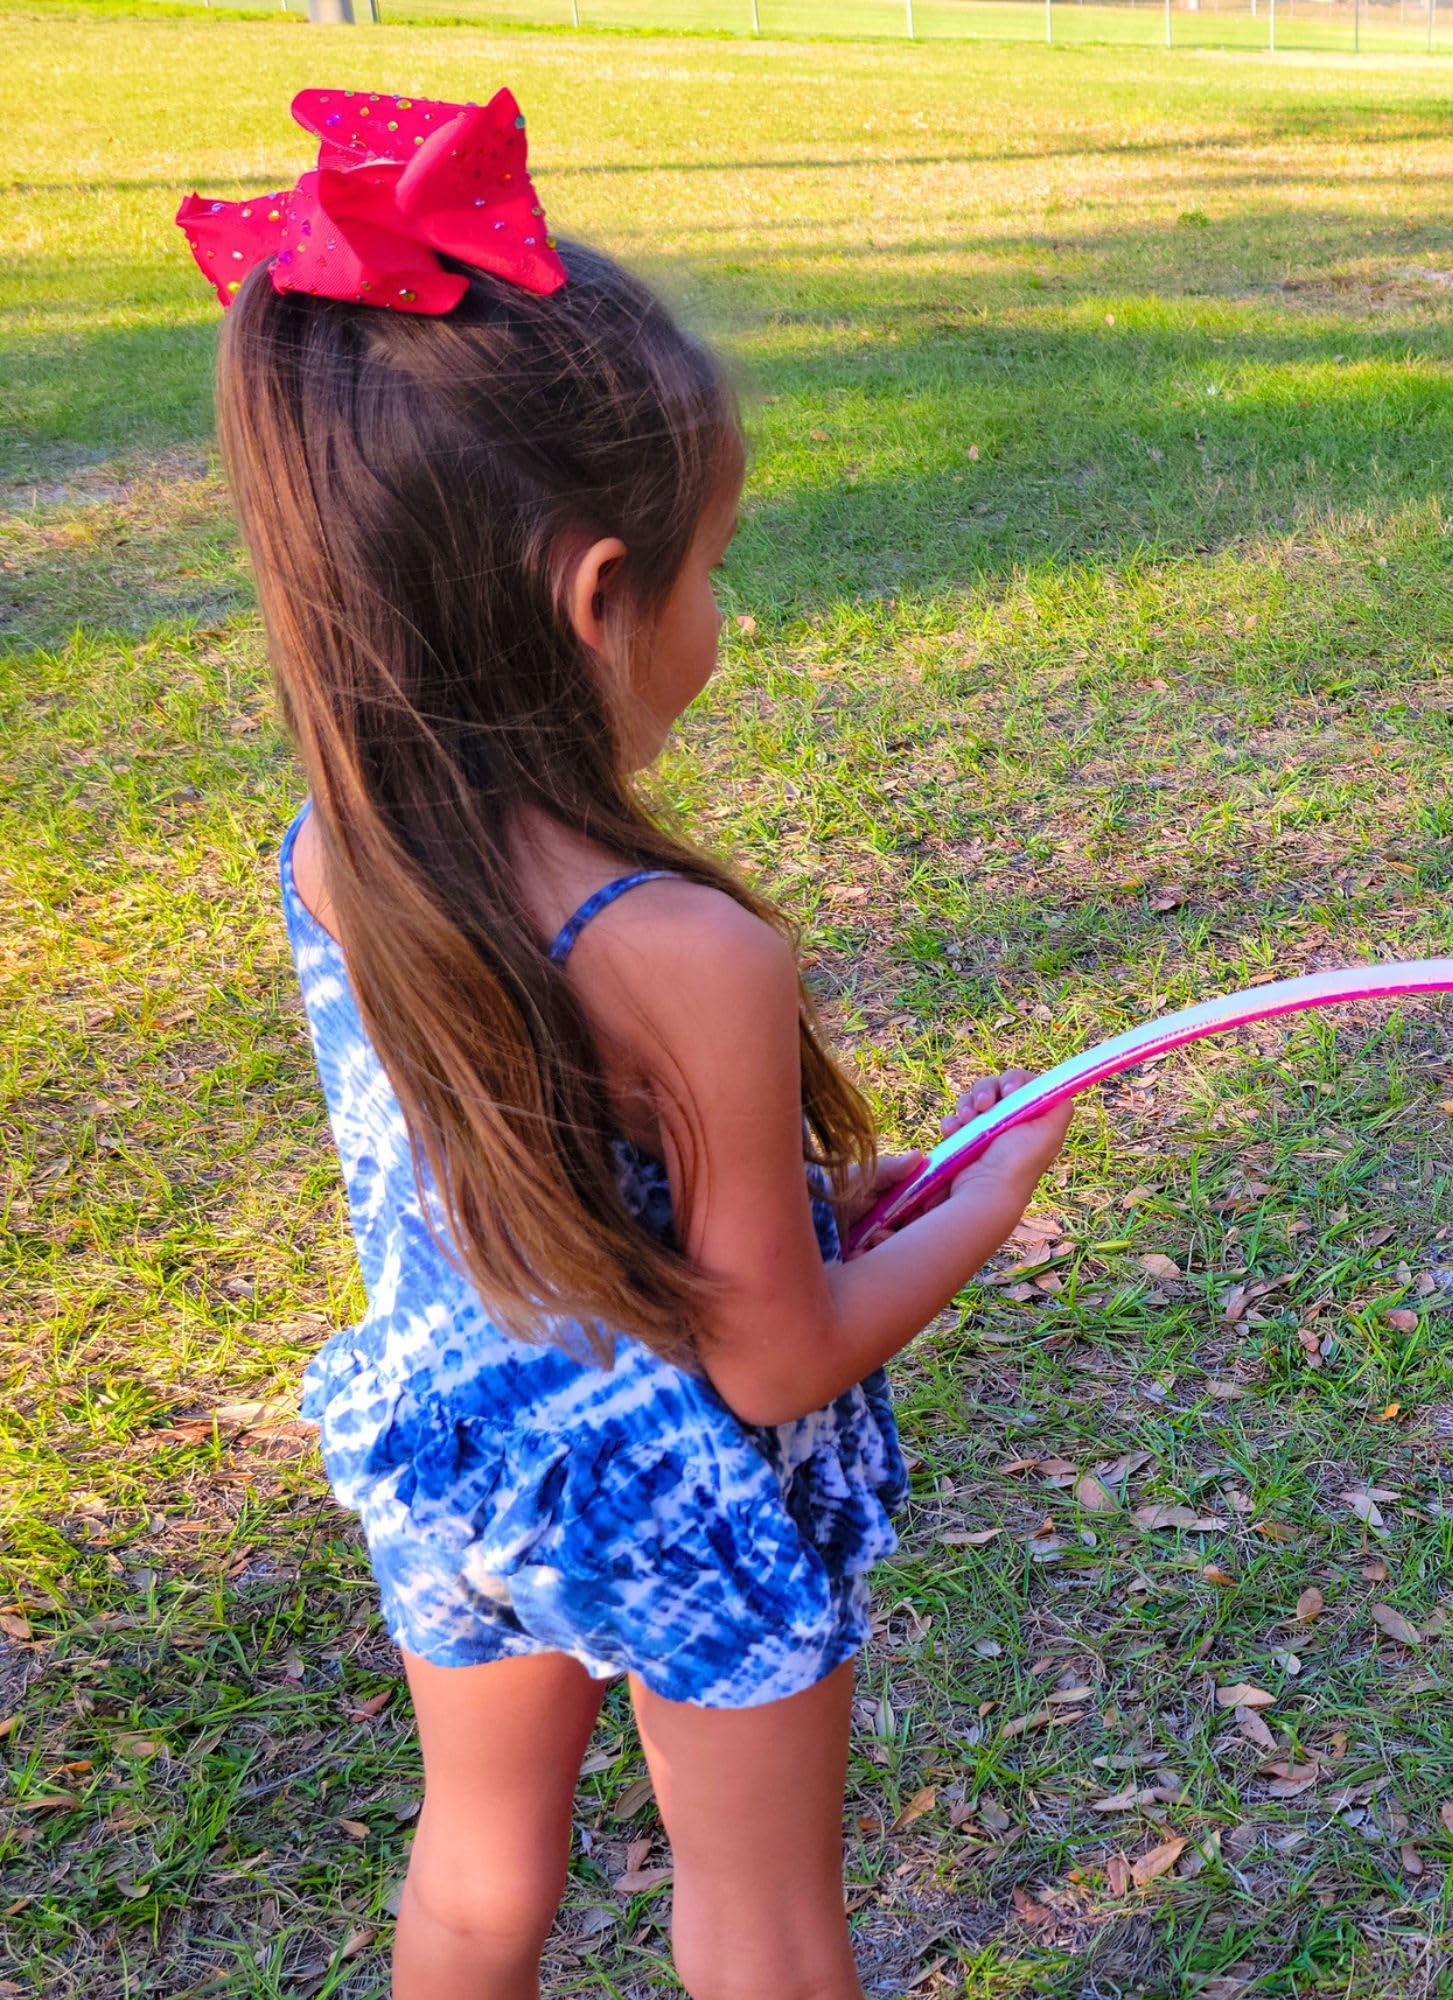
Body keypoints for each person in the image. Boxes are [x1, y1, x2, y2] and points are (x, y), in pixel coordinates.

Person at [179, 86, 1070, 2000]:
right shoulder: (686, 951)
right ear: (600, 597)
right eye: (715, 562)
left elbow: (563, 1175)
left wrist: (823, 1201)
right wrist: (981, 1209)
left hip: (457, 1446)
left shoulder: (339, 852)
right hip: (667, 1489)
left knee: (479, 1876)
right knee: (760, 1927)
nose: (719, 611)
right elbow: (770, 1364)